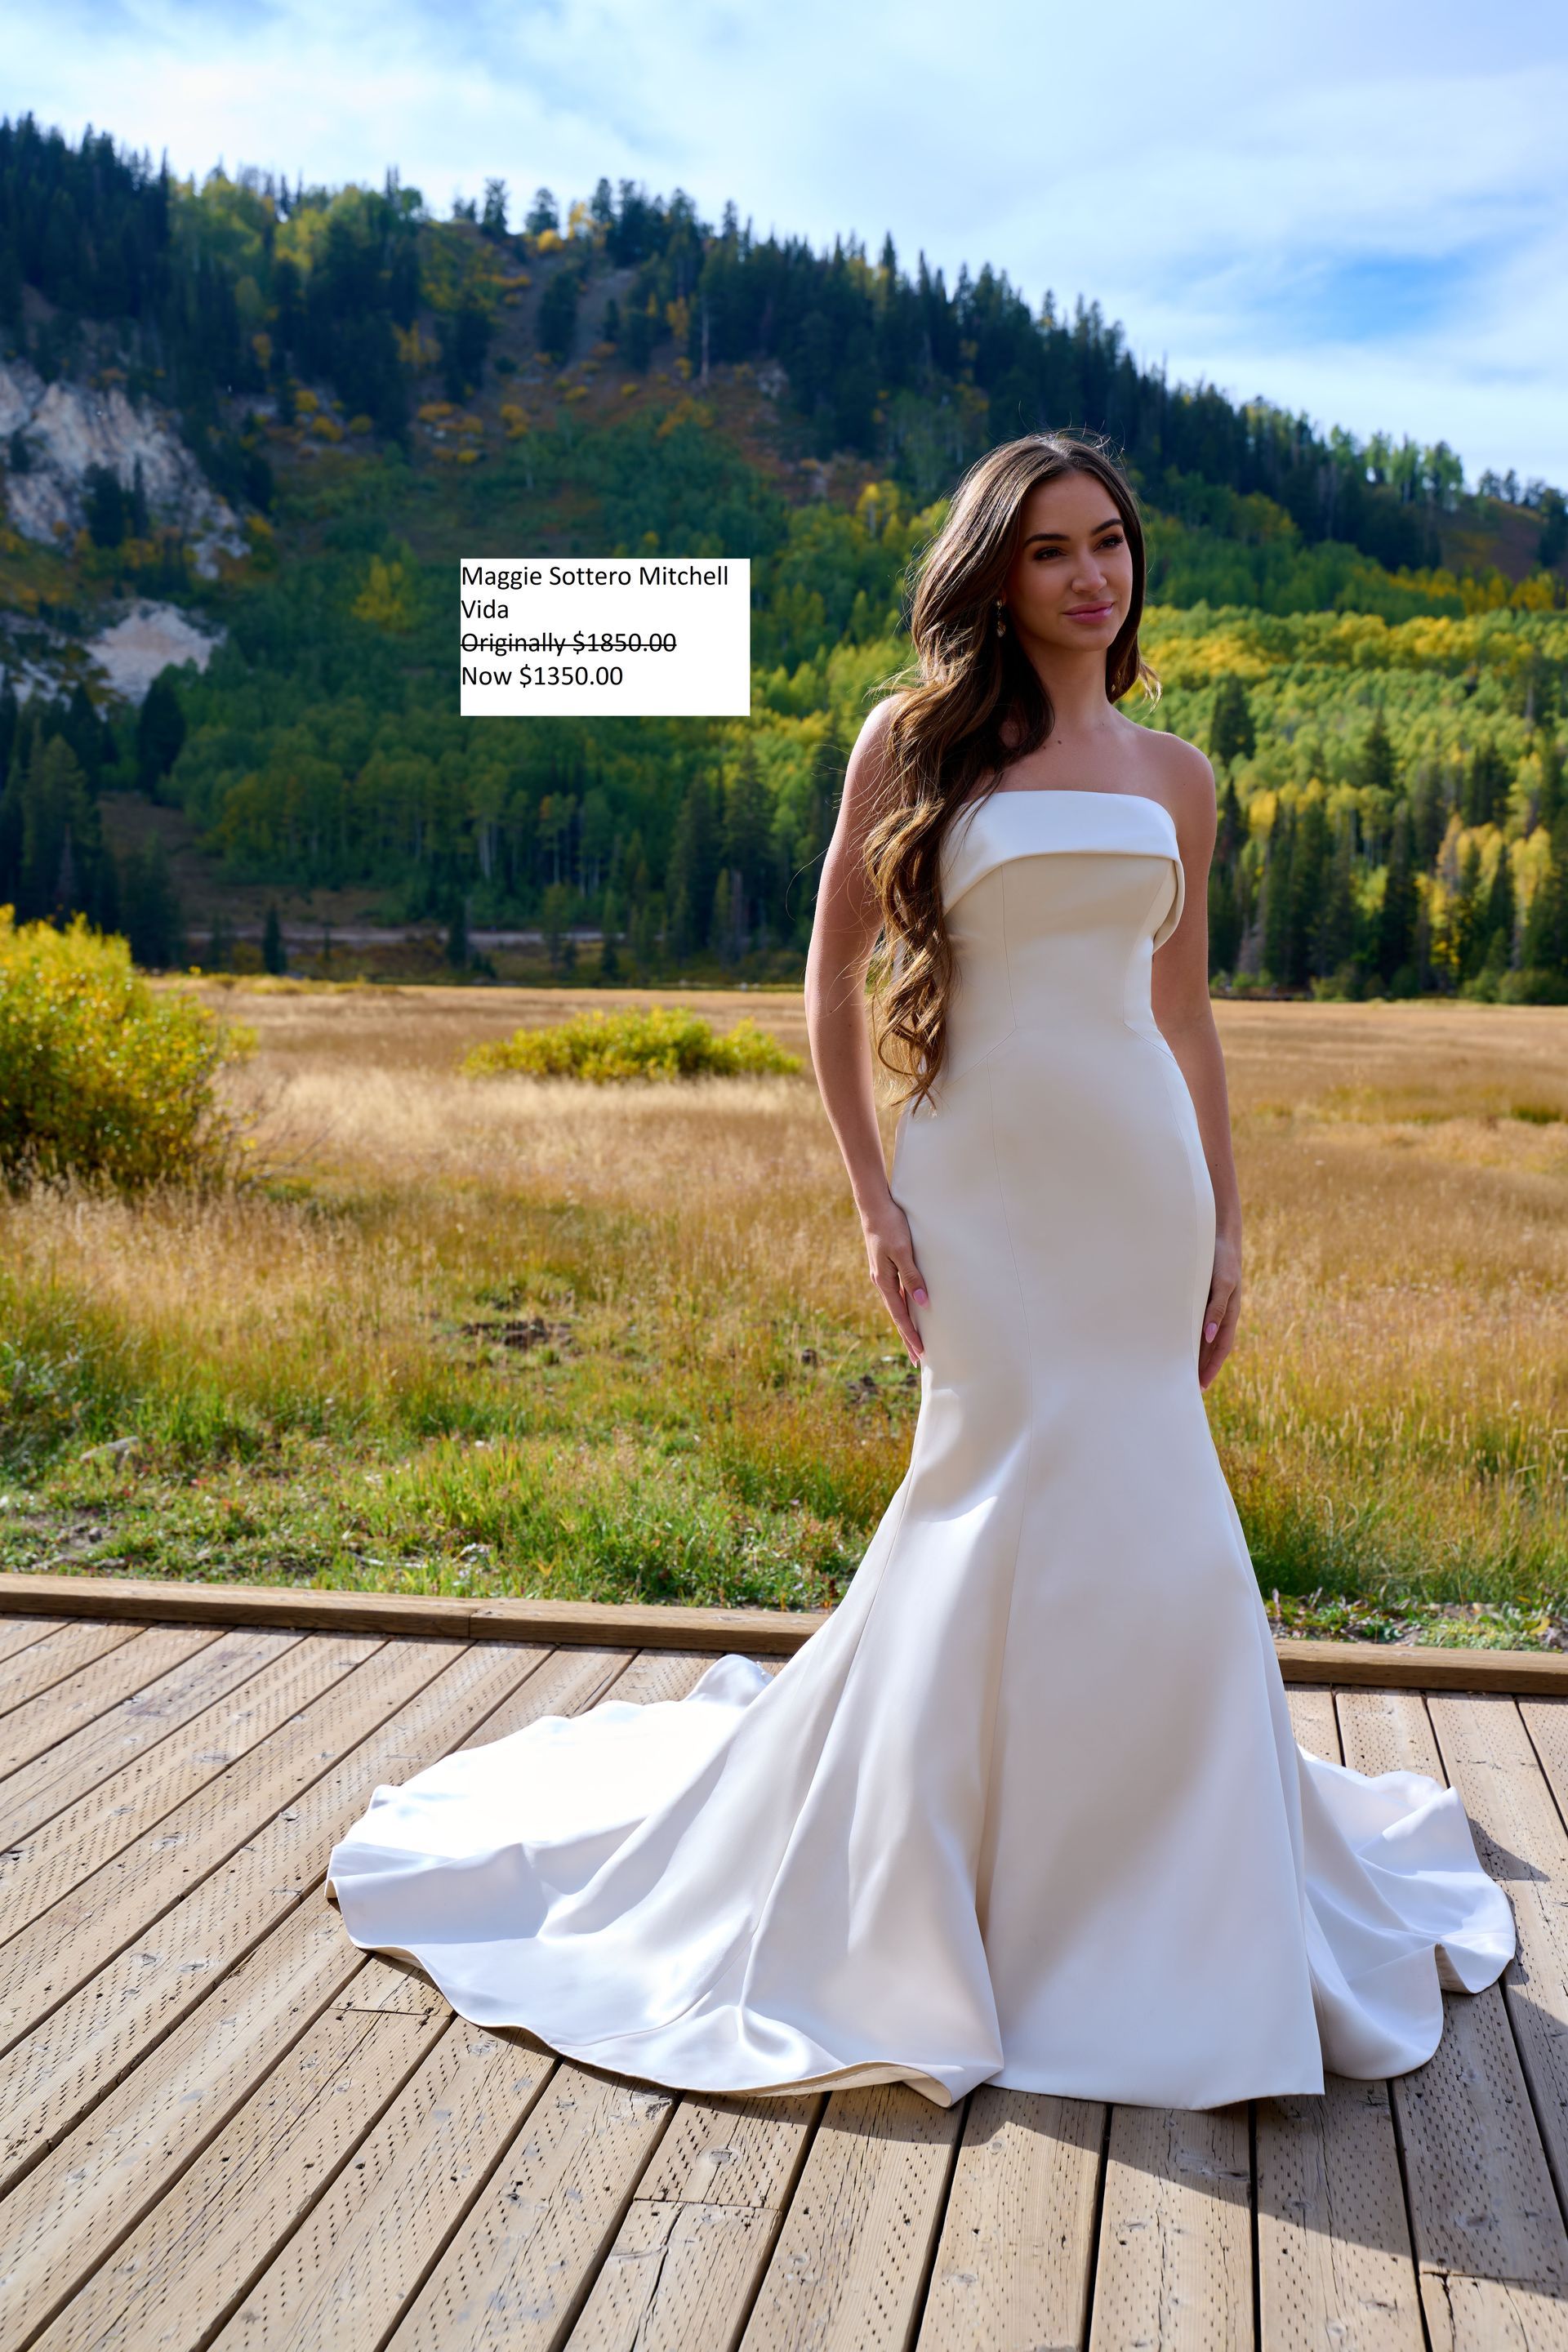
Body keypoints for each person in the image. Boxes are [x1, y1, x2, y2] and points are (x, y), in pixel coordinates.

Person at [327, 433, 1512, 2109]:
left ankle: (1170, 1913)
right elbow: (827, 983)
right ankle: (938, 1894)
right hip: (978, 1193)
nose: (1092, 577)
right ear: (995, 574)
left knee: (1158, 1521)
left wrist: (1231, 1220)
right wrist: (873, 1202)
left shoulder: (1178, 774)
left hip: (1135, 1195)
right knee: (982, 1507)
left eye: (1111, 544)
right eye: (1051, 552)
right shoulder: (915, 741)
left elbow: (1184, 1020)